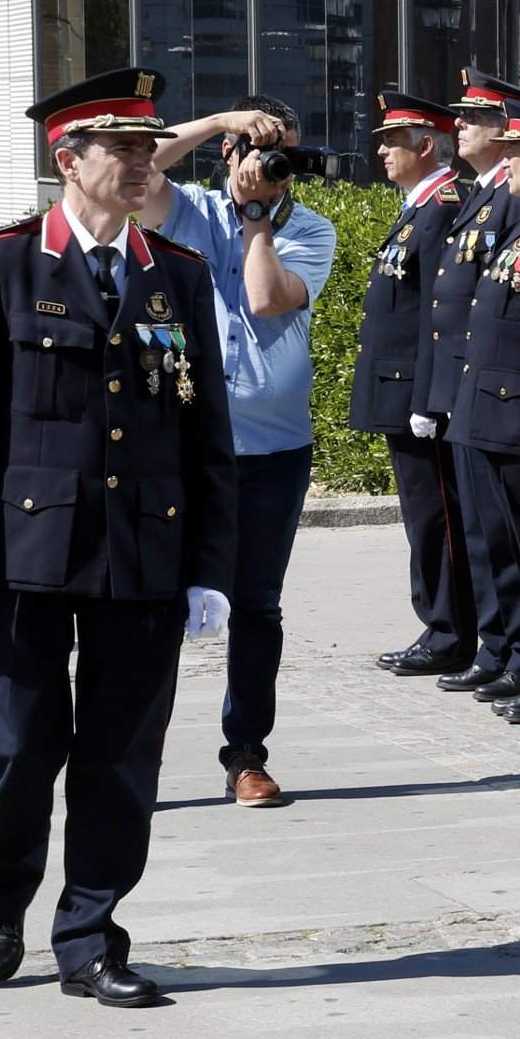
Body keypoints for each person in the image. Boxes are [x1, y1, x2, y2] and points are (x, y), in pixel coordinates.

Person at [0, 66, 237, 1007]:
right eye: (124, 147)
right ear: (69, 157)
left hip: (143, 549)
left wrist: (211, 568)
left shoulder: (175, 275)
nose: (143, 162)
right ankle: (0, 897)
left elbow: (205, 433)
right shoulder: (2, 262)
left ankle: (91, 934)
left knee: (121, 753)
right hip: (25, 555)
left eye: (149, 147)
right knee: (20, 744)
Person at [140, 97, 337, 809]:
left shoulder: (311, 229)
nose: (266, 166)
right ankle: (136, 758)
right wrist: (223, 120)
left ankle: (246, 755)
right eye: (255, 149)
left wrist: (258, 221)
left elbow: (263, 298)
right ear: (229, 154)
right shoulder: (190, 211)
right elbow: (137, 172)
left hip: (273, 449)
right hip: (184, 440)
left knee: (256, 605)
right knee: (158, 600)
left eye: (279, 154)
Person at [435, 68, 520, 698]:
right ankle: (504, 645)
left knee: (516, 540)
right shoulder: (485, 194)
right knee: (488, 537)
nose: (461, 127)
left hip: (505, 398)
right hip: (475, 391)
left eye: (474, 119)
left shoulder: (518, 201)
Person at [348, 90, 472, 676]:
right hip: (401, 385)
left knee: (436, 515)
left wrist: (427, 396)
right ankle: (441, 621)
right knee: (425, 514)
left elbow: (438, 315)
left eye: (393, 140)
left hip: (418, 391)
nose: (382, 150)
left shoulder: (443, 205)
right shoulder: (420, 206)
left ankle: (450, 628)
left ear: (427, 146)